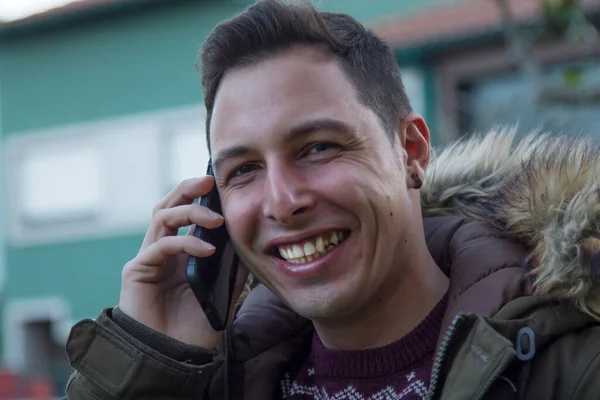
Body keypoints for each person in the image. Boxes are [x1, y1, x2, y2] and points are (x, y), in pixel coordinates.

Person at [63, 0, 600, 399]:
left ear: (411, 151)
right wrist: (152, 367)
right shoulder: (219, 381)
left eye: (318, 147)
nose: (282, 201)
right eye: (244, 169)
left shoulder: (573, 364)